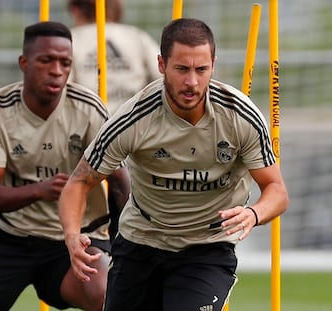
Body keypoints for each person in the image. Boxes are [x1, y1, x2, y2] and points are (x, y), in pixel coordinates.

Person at [58, 18, 289, 311]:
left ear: (213, 65)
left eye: (201, 69)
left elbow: (277, 191)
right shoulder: (133, 118)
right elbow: (79, 182)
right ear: (161, 64)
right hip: (140, 241)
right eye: (181, 69)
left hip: (207, 245)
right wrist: (71, 236)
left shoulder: (240, 116)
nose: (192, 82)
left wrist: (253, 214)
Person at [0, 21, 129, 311]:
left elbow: (120, 182)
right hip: (11, 237)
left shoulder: (88, 108)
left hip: (79, 239)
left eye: (65, 62)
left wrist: (123, 247)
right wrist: (41, 190)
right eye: (46, 60)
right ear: (24, 62)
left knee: (109, 297)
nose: (57, 70)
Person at [67, 0, 161, 116]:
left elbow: (63, 87)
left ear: (75, 10)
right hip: (133, 122)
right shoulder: (137, 37)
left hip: (87, 124)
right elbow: (162, 77)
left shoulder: (70, 39)